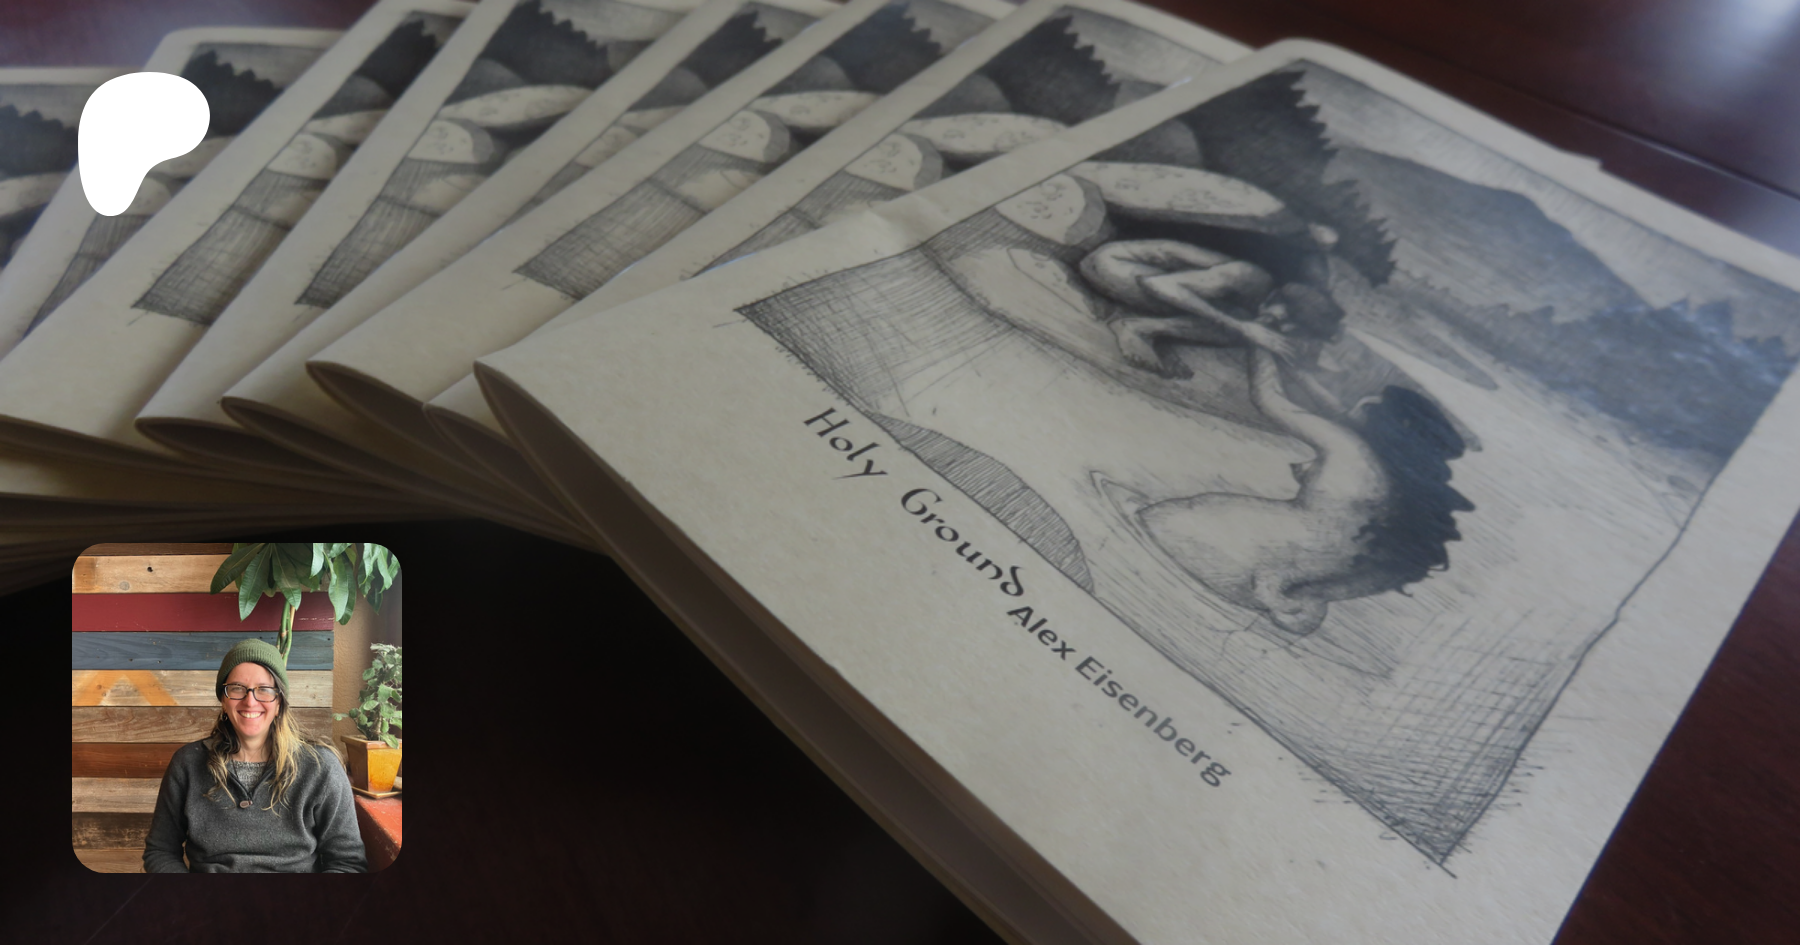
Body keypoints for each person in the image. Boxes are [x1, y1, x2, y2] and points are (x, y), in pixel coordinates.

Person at [1136, 347, 1472, 637]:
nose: (1355, 409)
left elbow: (1270, 400)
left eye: (1367, 407)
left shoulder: (1350, 450)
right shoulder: (1399, 497)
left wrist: (1258, 344)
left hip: (1209, 551)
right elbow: (1335, 414)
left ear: (1380, 421)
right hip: (1260, 586)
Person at [143, 639, 366, 872]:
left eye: (264, 690)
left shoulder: (321, 768)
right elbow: (160, 851)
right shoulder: (187, 763)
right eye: (237, 688)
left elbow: (347, 863)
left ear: (279, 702)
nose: (250, 701)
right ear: (223, 700)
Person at [1078, 238, 1345, 378]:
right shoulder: (1249, 277)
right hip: (1112, 265)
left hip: (1135, 276)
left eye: (1293, 329)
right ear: (1285, 303)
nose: (1284, 328)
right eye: (1289, 320)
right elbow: (1158, 285)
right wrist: (1239, 326)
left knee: (1244, 326)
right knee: (1238, 327)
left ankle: (1141, 326)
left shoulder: (1264, 298)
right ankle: (1135, 328)